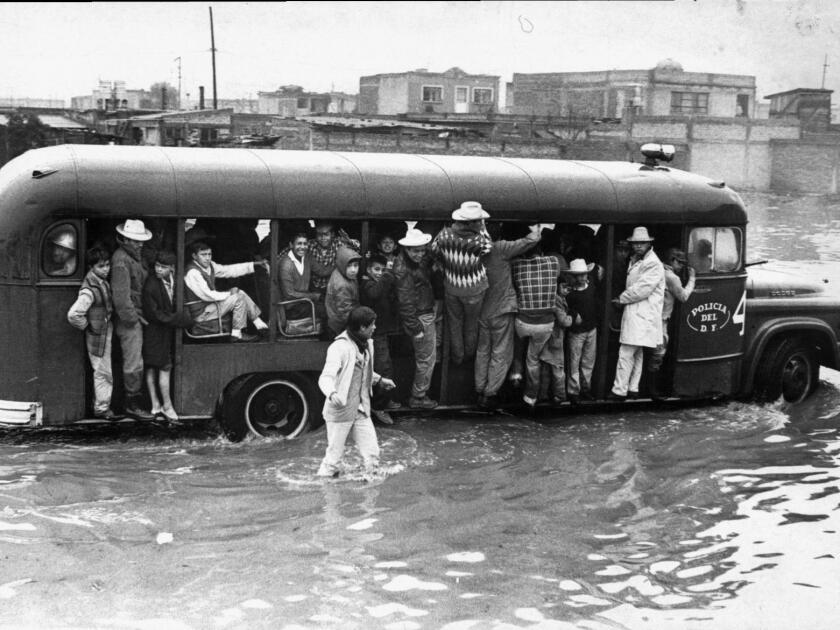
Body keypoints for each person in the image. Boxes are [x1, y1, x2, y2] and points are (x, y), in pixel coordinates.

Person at [316, 306, 396, 478]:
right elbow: (325, 377)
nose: (375, 328)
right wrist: (332, 394)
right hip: (341, 410)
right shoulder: (339, 348)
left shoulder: (366, 344)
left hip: (360, 408)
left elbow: (362, 371)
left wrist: (380, 380)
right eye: (372, 325)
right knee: (333, 461)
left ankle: (370, 497)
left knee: (372, 455)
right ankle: (326, 497)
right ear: (362, 328)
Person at [474, 222, 542, 409]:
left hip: (483, 312)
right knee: (500, 355)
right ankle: (489, 394)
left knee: (482, 353)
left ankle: (479, 388)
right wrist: (536, 229)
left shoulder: (475, 251)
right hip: (502, 311)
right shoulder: (501, 248)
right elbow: (530, 241)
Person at [430, 201, 493, 365]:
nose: (481, 223)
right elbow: (489, 247)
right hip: (475, 290)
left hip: (452, 288)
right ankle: (469, 356)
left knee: (455, 323)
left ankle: (457, 357)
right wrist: (483, 228)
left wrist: (446, 265)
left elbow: (434, 250)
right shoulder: (479, 240)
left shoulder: (444, 235)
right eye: (479, 220)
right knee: (471, 324)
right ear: (471, 223)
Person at [609, 226, 665, 401]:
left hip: (641, 313)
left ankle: (619, 391)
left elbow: (642, 289)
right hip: (640, 314)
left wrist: (621, 299)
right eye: (635, 243)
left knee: (626, 352)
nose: (638, 246)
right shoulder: (638, 260)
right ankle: (633, 389)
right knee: (637, 353)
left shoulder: (653, 263)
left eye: (642, 243)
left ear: (649, 244)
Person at [510, 245, 567, 410]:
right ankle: (531, 396)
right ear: (542, 253)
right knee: (533, 359)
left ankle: (516, 372)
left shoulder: (517, 266)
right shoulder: (553, 262)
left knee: (517, 343)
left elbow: (515, 265)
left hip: (524, 322)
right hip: (545, 325)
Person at [67, 245, 120, 420]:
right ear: (92, 267)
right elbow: (74, 315)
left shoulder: (99, 282)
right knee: (103, 372)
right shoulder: (89, 289)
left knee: (103, 370)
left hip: (104, 331)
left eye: (107, 265)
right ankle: (102, 409)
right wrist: (89, 327)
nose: (106, 269)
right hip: (98, 336)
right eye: (101, 266)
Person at [142, 250, 193, 422]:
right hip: (154, 332)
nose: (158, 270)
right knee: (161, 366)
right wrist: (180, 319)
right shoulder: (150, 285)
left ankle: (157, 405)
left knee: (155, 366)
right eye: (157, 266)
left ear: (171, 268)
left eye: (163, 267)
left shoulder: (174, 281)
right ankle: (165, 405)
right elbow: (155, 315)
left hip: (164, 331)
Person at [184, 240, 269, 342]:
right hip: (201, 313)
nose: (207, 258)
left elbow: (229, 270)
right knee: (238, 297)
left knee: (240, 293)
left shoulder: (210, 266)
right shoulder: (193, 272)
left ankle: (257, 324)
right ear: (194, 256)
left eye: (209, 254)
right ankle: (240, 333)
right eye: (203, 255)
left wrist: (254, 265)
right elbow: (207, 295)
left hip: (209, 307)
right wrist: (230, 293)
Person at [111, 219, 153, 419]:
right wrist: (133, 319)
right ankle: (132, 402)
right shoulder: (121, 260)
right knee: (133, 362)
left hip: (137, 314)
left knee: (134, 360)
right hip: (130, 318)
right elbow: (121, 297)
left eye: (141, 240)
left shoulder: (133, 256)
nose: (140, 244)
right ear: (126, 239)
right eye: (136, 241)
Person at [393, 225, 438, 409]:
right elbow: (405, 303)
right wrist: (415, 328)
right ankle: (418, 396)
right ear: (407, 249)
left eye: (422, 250)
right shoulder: (404, 270)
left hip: (423, 313)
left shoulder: (409, 261)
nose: (420, 254)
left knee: (425, 358)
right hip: (421, 317)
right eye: (416, 251)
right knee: (426, 359)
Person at [647, 247, 696, 399]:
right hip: (660, 320)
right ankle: (652, 391)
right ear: (673, 261)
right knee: (658, 355)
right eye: (680, 263)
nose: (681, 266)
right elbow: (683, 296)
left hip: (650, 317)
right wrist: (692, 279)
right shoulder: (672, 277)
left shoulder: (657, 269)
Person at [361, 253, 402, 424]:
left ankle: (384, 402)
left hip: (383, 331)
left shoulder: (379, 282)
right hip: (375, 334)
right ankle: (379, 406)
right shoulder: (367, 284)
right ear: (369, 270)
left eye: (382, 270)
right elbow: (375, 295)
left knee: (386, 367)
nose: (380, 273)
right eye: (377, 270)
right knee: (382, 369)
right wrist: (387, 274)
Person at [564, 258, 600, 404]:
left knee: (588, 361)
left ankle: (585, 389)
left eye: (583, 274)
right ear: (573, 276)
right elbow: (564, 308)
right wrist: (573, 313)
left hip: (591, 329)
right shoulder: (569, 293)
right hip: (576, 332)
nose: (581, 277)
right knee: (574, 361)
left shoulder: (592, 286)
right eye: (578, 275)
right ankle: (573, 392)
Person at [277, 231, 326, 323]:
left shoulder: (307, 257)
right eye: (299, 244)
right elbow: (289, 294)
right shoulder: (286, 265)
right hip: (292, 307)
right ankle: (326, 337)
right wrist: (313, 296)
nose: (302, 247)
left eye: (305, 244)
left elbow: (322, 271)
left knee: (329, 303)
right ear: (291, 245)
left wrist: (340, 266)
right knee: (324, 310)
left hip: (305, 302)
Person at [309, 222, 360, 296]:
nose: (323, 238)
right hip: (314, 286)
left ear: (332, 234)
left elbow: (357, 248)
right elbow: (291, 250)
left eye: (326, 234)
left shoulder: (338, 243)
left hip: (333, 286)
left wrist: (349, 242)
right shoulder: (311, 244)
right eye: (319, 235)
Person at [325, 245, 362, 337]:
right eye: (349, 266)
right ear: (342, 264)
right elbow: (345, 313)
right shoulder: (342, 285)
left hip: (340, 319)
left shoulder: (344, 273)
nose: (353, 270)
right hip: (341, 326)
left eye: (356, 265)